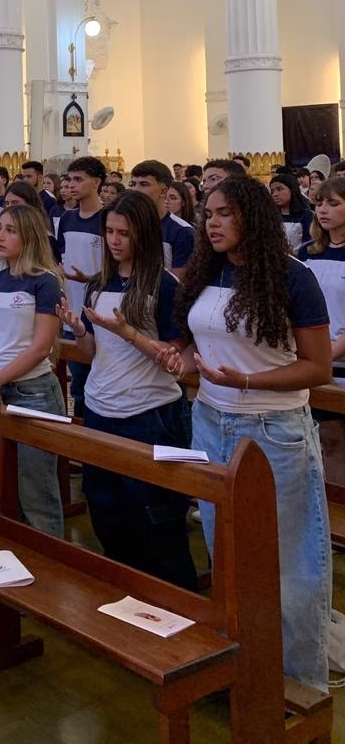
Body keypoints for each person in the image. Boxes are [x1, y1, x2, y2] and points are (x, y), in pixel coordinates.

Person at [174, 176, 332, 691]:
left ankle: (299, 686)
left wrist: (245, 380)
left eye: (225, 213)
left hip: (273, 429)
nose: (212, 223)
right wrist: (182, 361)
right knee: (227, 554)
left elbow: (317, 367)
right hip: (210, 420)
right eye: (208, 214)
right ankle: (246, 674)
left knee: (287, 563)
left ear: (253, 217)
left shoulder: (292, 277)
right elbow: (202, 344)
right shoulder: (207, 271)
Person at [59, 192, 196, 589]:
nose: (115, 241)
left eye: (124, 233)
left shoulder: (164, 285)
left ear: (144, 235)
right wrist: (80, 330)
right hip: (101, 410)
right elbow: (92, 352)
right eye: (110, 232)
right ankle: (127, 595)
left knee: (155, 520)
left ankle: (173, 602)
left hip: (149, 413)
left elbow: (173, 360)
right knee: (107, 513)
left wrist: (128, 333)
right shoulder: (99, 283)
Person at [0, 204, 65, 536]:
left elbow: (41, 347)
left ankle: (50, 556)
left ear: (29, 236)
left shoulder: (45, 282)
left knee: (37, 489)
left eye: (11, 230)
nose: (0, 236)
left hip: (34, 391)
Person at [57, 156, 106, 418]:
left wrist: (92, 279)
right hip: (72, 310)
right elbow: (62, 256)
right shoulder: (67, 218)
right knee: (78, 385)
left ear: (96, 182)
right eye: (70, 179)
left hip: (101, 312)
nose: (72, 185)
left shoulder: (108, 218)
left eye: (79, 179)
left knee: (100, 378)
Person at [300, 176, 345, 378]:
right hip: (309, 358)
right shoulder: (307, 252)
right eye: (319, 204)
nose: (323, 210)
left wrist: (326, 355)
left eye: (333, 204)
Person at [128, 160, 195, 277]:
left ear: (163, 191)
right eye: (133, 184)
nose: (136, 190)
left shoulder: (182, 231)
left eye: (144, 184)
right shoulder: (127, 224)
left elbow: (178, 281)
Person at [269, 173, 313, 251]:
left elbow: (309, 244)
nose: (275, 194)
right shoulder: (270, 216)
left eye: (279, 189)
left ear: (291, 189)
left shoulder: (306, 215)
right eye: (272, 191)